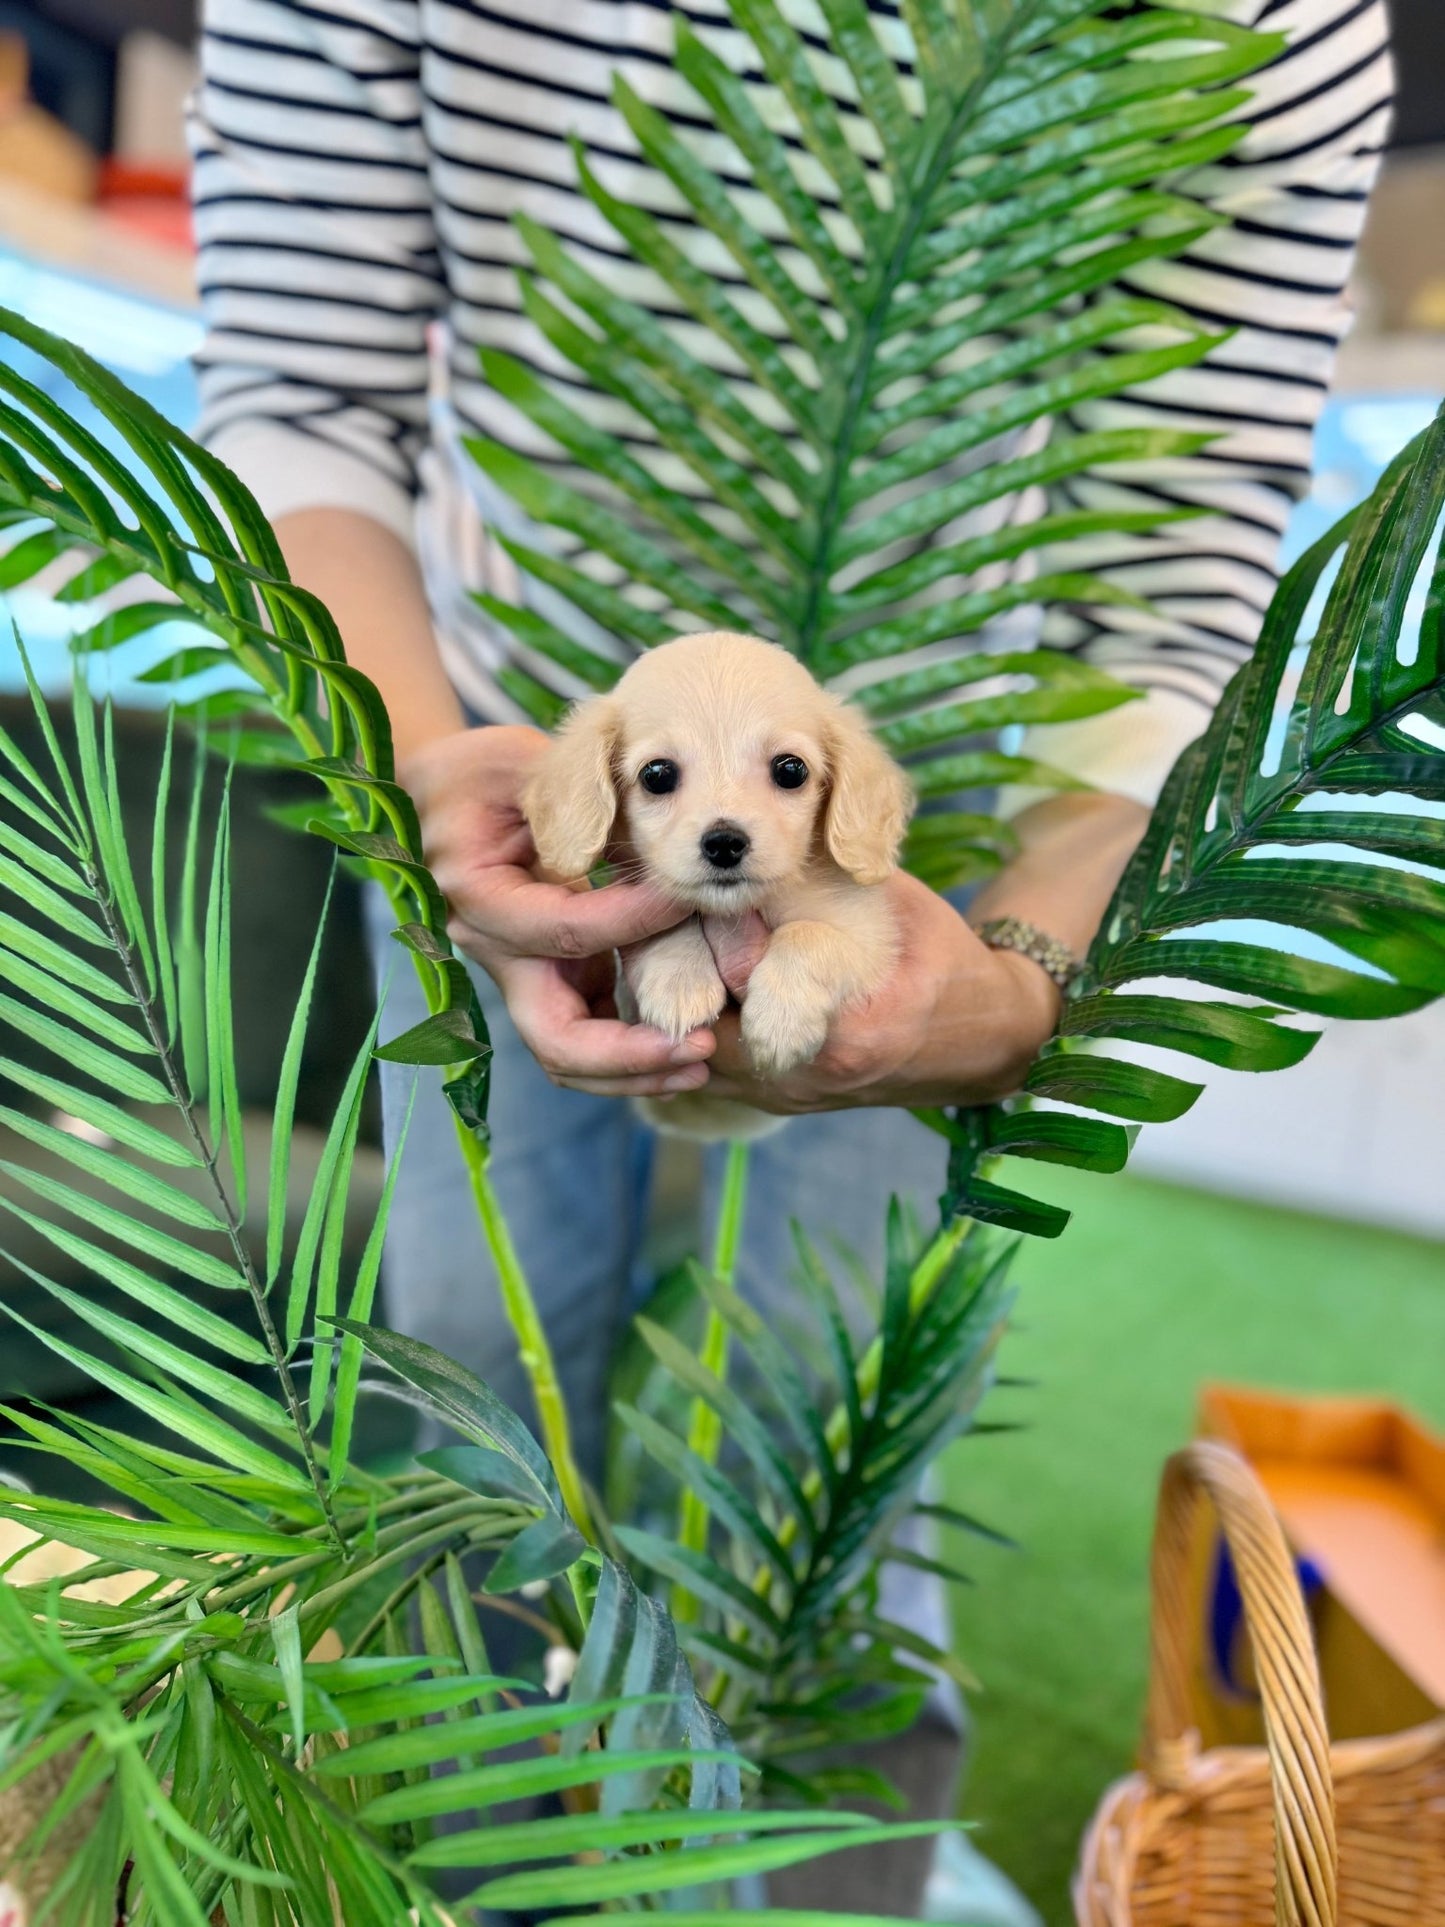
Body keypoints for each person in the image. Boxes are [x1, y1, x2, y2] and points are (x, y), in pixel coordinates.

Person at [189, 0, 1393, 1911]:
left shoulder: (1264, 21)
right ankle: (464, 1876)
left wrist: (1006, 989)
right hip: (483, 775)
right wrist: (436, 782)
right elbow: (296, 383)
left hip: (961, 854)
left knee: (827, 1492)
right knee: (470, 1422)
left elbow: (1169, 595)